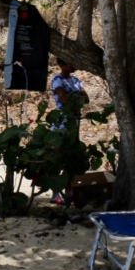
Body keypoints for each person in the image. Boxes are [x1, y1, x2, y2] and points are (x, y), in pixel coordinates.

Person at [50, 58, 89, 204]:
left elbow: (86, 99)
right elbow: (63, 98)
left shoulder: (76, 80)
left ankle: (69, 191)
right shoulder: (57, 80)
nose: (74, 65)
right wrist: (76, 98)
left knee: (70, 157)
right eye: (70, 63)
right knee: (59, 156)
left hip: (74, 122)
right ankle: (55, 193)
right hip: (63, 121)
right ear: (62, 65)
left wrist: (74, 98)